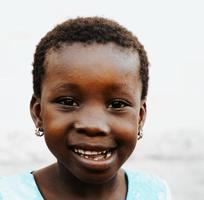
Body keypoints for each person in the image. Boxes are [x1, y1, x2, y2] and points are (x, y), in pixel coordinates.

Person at [0, 17, 171, 200]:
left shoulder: (155, 192)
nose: (93, 126)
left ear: (140, 117)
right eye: (68, 102)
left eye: (117, 105)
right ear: (38, 112)